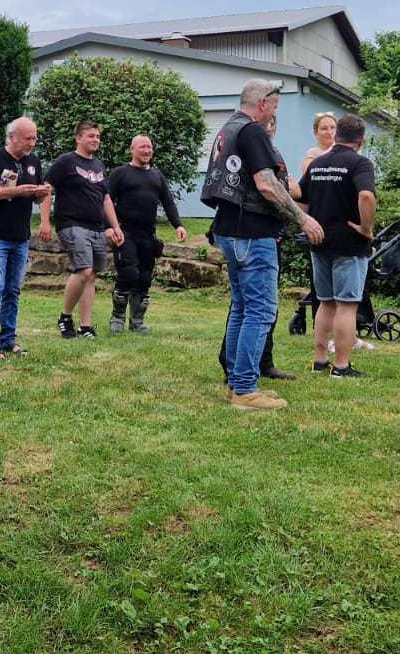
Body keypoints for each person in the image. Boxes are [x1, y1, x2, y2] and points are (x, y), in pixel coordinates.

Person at [201, 80, 323, 410]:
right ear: (263, 104)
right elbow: (266, 184)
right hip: (252, 233)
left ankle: (238, 381)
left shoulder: (228, 128)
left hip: (229, 228)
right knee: (260, 310)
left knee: (243, 307)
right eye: (275, 106)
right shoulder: (252, 131)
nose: (274, 113)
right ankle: (244, 390)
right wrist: (303, 218)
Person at [303, 114, 377, 377]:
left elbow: (300, 198)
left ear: (337, 135)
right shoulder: (360, 163)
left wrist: (306, 223)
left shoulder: (318, 164)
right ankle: (342, 366)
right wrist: (366, 228)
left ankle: (320, 361)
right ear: (361, 140)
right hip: (349, 243)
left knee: (325, 302)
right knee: (347, 305)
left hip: (320, 241)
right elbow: (366, 196)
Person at [0, 117, 51, 361]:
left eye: (35, 138)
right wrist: (16, 191)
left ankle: (8, 339)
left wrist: (41, 194)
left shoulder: (33, 162)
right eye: (28, 138)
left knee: (13, 290)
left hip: (20, 237)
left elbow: (37, 197)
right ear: (12, 137)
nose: (32, 143)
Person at [40, 121, 125, 340]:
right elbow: (46, 189)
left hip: (96, 227)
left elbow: (106, 199)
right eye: (91, 136)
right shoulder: (66, 161)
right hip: (71, 224)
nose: (95, 139)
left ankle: (85, 327)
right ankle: (65, 317)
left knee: (91, 276)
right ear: (78, 138)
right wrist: (45, 221)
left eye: (97, 136)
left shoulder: (99, 165)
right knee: (84, 270)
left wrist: (115, 226)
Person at [106, 135, 185, 333]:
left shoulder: (157, 176)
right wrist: (109, 227)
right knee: (128, 272)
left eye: (149, 147)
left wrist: (178, 225)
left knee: (144, 277)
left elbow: (168, 202)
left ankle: (137, 321)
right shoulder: (120, 173)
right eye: (142, 147)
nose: (147, 150)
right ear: (132, 149)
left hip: (148, 235)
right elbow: (106, 201)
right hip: (125, 233)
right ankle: (117, 317)